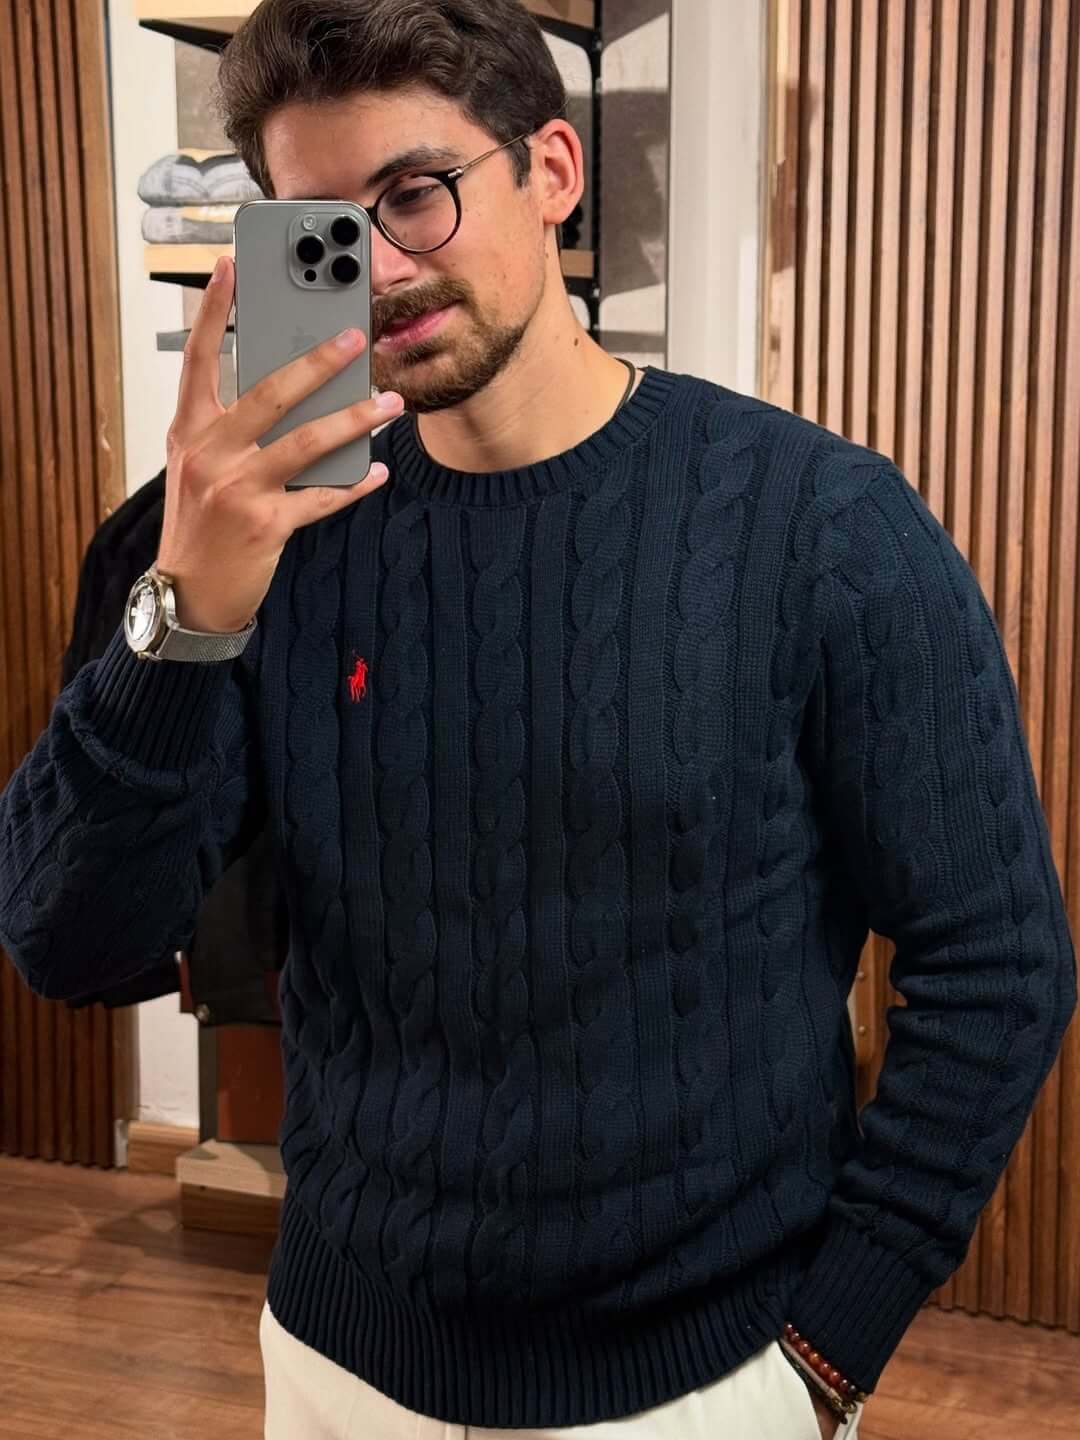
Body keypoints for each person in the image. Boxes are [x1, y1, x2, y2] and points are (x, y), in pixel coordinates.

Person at [1, 2, 1075, 1437]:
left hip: (703, 1382)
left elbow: (996, 963)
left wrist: (829, 1351)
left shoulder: (818, 527)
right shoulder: (238, 543)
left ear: (551, 172)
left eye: (414, 194)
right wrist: (181, 617)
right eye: (321, 227)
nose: (379, 267)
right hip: (336, 1361)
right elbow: (71, 945)